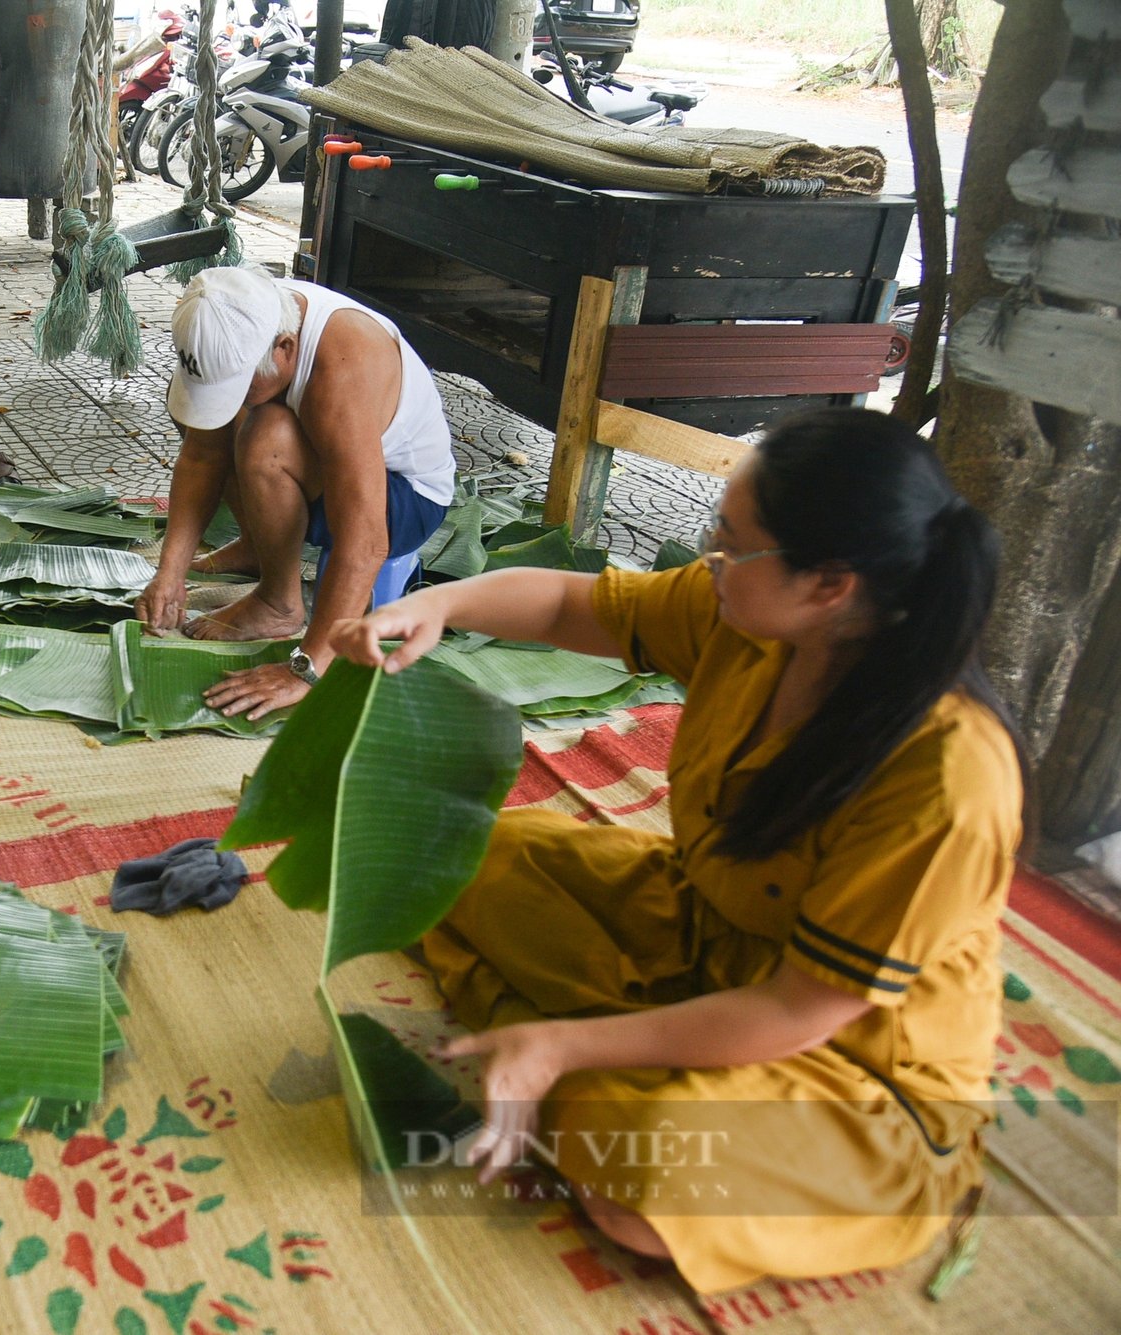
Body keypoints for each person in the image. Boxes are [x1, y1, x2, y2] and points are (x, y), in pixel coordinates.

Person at [328, 409, 1021, 1293]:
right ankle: (572, 1047)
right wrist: (435, 603)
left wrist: (561, 1053)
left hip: (851, 1062)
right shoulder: (751, 613)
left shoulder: (946, 777)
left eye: (731, 544)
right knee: (458, 851)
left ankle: (555, 1047)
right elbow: (574, 602)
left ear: (830, 584)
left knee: (641, 1177)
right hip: (701, 932)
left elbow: (800, 1010)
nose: (709, 559)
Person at [135, 266, 456, 721]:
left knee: (265, 434)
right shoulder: (233, 322)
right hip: (331, 472)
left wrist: (306, 669)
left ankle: (278, 602)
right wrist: (170, 575)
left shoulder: (344, 365)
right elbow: (204, 455)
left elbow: (366, 542)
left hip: (406, 500)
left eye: (244, 382)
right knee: (214, 414)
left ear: (286, 348)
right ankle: (257, 546)